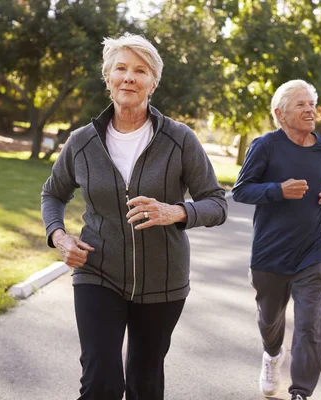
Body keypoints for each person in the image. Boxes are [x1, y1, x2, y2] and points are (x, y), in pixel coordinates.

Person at [41, 33, 227, 400]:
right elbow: (53, 192)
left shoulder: (179, 139)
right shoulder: (81, 141)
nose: (129, 77)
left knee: (144, 383)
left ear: (153, 82)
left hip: (163, 281)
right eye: (121, 68)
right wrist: (59, 237)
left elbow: (216, 202)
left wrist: (176, 211)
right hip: (98, 270)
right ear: (108, 77)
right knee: (100, 382)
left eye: (140, 70)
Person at [232, 79, 321, 400]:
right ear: (281, 114)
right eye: (301, 104)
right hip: (270, 252)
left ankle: (300, 392)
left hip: (313, 250)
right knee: (270, 321)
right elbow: (240, 190)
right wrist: (277, 190)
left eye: (312, 103)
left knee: (310, 324)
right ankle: (271, 355)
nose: (310, 109)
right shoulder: (265, 146)